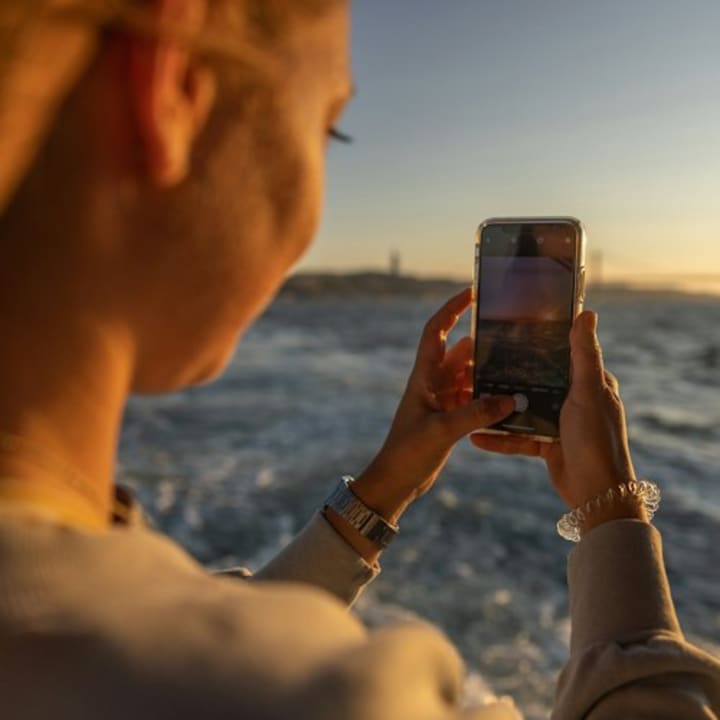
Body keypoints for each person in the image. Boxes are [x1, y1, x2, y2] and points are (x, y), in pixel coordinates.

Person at [0, 1, 718, 718]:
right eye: (328, 129)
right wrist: (614, 517)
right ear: (171, 90)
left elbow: (183, 639)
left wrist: (378, 493)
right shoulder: (340, 697)